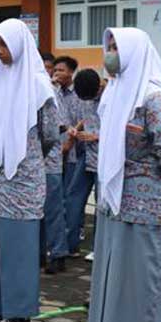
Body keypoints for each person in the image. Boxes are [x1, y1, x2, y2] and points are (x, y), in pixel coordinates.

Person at [86, 27, 161, 322]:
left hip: (144, 200)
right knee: (115, 273)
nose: (110, 53)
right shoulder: (114, 92)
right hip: (114, 198)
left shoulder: (152, 97)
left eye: (116, 47)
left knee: (141, 275)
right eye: (108, 46)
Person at [0, 20, 58, 322]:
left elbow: (50, 134)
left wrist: (27, 157)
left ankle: (19, 315)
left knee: (18, 247)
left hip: (22, 179)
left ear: (20, 45)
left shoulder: (39, 86)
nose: (1, 51)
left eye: (5, 44)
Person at [44, 55, 80, 273]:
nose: (54, 73)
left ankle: (58, 253)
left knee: (54, 208)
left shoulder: (51, 91)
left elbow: (59, 126)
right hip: (33, 163)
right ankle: (42, 252)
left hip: (50, 159)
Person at [63, 68, 101, 257]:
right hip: (85, 155)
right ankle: (70, 244)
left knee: (102, 203)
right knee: (73, 197)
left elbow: (122, 128)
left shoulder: (113, 96)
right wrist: (75, 130)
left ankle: (98, 248)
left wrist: (97, 136)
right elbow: (84, 119)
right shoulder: (83, 94)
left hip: (105, 157)